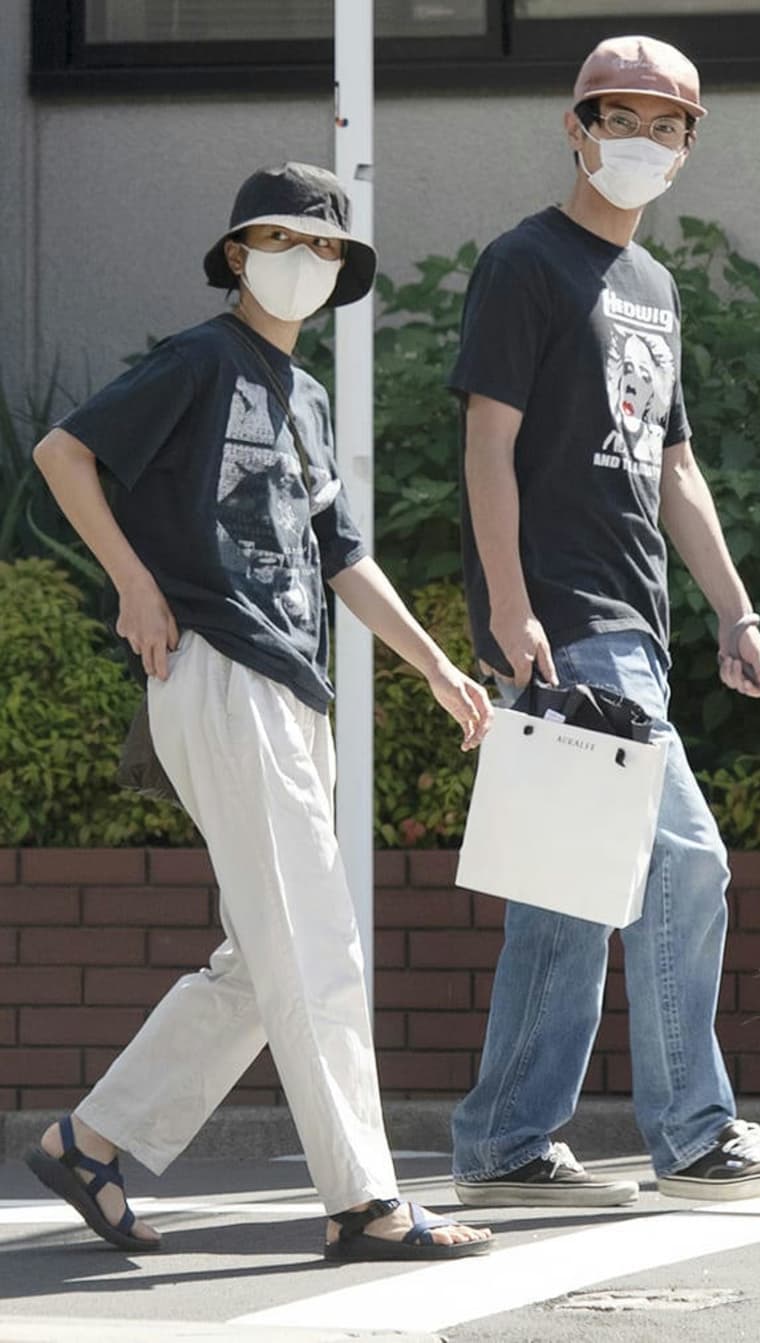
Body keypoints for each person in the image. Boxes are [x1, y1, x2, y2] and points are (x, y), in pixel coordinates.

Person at [26, 162, 494, 1262]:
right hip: (218, 667)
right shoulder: (199, 359)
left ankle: (89, 1138)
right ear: (239, 253)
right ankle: (364, 1199)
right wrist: (137, 584)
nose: (305, 262)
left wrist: (431, 663)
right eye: (283, 240)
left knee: (261, 953)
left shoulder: (308, 397)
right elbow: (63, 452)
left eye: (326, 248)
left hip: (289, 682)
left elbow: (339, 554)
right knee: (315, 942)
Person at [449, 36, 760, 1206]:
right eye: (621, 118)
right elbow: (487, 446)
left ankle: (506, 1143)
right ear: (575, 126)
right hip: (565, 624)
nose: (644, 143)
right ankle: (694, 1129)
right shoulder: (524, 265)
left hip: (637, 626)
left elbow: (673, 468)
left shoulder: (654, 291)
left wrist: (734, 611)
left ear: (687, 145)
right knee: (687, 861)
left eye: (669, 126)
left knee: (565, 897)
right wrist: (509, 604)